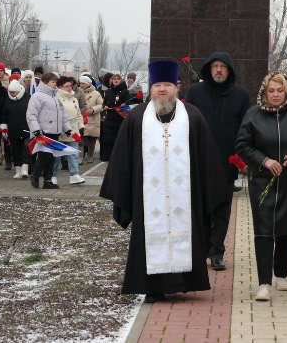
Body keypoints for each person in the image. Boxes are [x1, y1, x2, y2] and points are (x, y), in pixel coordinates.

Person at [99, 60, 232, 302]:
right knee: (149, 232)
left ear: (177, 87)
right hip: (147, 199)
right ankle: (151, 286)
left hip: (185, 196)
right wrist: (123, 194)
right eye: (158, 85)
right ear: (151, 88)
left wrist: (210, 190)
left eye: (167, 85)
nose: (162, 89)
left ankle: (185, 281)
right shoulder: (137, 118)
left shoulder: (192, 116)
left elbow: (207, 158)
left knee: (187, 230)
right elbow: (123, 160)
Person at [236, 72, 287, 302]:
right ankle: (263, 283)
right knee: (264, 229)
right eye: (271, 91)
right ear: (264, 92)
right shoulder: (253, 115)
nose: (276, 95)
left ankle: (281, 274)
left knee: (285, 227)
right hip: (262, 180)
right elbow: (242, 144)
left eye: (280, 90)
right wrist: (264, 160)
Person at [185, 52, 250, 271]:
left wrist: (241, 158)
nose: (219, 70)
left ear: (229, 70)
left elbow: (245, 128)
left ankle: (216, 251)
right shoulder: (195, 92)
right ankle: (201, 249)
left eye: (223, 66)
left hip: (226, 161)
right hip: (199, 159)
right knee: (201, 207)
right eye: (215, 66)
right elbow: (186, 124)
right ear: (208, 69)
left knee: (222, 209)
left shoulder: (240, 95)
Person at [26, 72, 74, 190]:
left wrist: (67, 128)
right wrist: (36, 130)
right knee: (44, 155)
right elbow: (31, 114)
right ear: (45, 83)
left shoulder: (56, 96)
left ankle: (48, 180)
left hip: (55, 131)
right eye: (52, 82)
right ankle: (35, 175)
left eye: (55, 82)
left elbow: (62, 115)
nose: (55, 84)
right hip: (43, 131)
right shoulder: (37, 96)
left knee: (52, 157)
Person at [53, 76, 86, 185]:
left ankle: (75, 175)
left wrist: (81, 126)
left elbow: (78, 114)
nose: (69, 88)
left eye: (70, 86)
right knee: (57, 155)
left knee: (73, 153)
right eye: (66, 86)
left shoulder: (74, 98)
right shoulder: (56, 98)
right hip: (60, 130)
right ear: (60, 86)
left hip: (73, 130)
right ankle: (53, 176)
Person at [2, 79, 32, 179]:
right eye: (10, 92)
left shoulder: (28, 98)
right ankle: (18, 169)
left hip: (26, 128)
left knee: (26, 147)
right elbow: (4, 115)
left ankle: (25, 167)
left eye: (13, 92)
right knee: (15, 149)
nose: (12, 94)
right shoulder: (7, 100)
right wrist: (4, 127)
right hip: (13, 129)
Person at [101, 73, 131, 163]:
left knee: (119, 138)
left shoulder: (125, 91)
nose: (116, 80)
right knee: (108, 139)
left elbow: (128, 103)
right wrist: (105, 106)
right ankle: (108, 156)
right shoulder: (109, 91)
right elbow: (104, 103)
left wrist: (124, 104)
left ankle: (120, 156)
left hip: (120, 118)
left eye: (118, 79)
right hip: (110, 118)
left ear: (121, 81)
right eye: (114, 79)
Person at [79, 75, 103, 164]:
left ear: (88, 84)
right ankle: (80, 157)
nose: (81, 85)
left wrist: (93, 109)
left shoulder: (96, 93)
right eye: (80, 83)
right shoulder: (77, 92)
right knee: (80, 139)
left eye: (83, 83)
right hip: (81, 118)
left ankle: (90, 156)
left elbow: (101, 105)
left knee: (91, 140)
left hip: (92, 119)